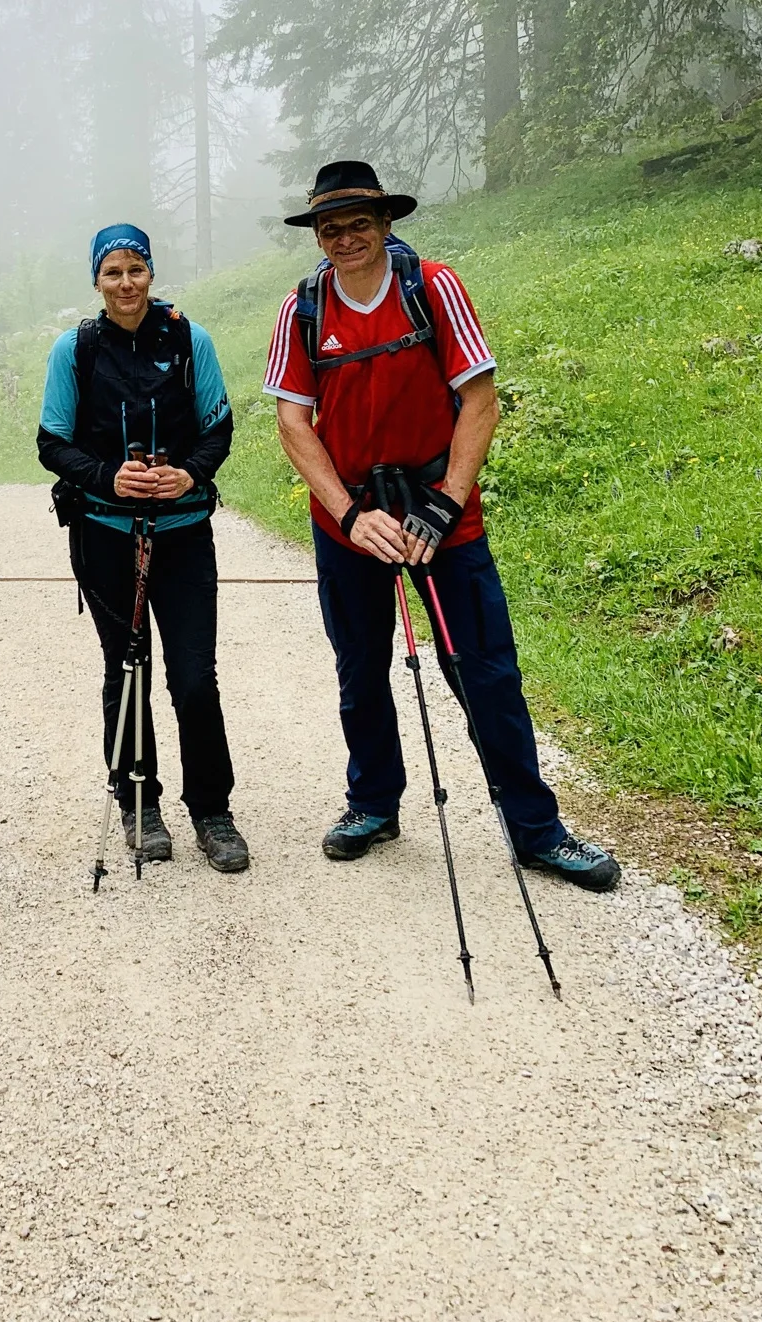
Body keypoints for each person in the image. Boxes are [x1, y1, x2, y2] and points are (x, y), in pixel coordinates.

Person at [264, 160, 619, 890]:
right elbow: (293, 422)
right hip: (352, 522)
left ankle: (537, 832)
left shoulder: (433, 287)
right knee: (361, 669)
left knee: (484, 672)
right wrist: (350, 515)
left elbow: (480, 401)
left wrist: (447, 500)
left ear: (385, 223)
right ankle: (373, 805)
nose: (345, 238)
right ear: (318, 237)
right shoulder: (303, 308)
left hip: (440, 515)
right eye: (330, 228)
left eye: (359, 223)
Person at [37, 223, 249, 873]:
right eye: (113, 272)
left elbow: (218, 429)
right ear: (96, 280)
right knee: (127, 670)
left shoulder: (189, 339)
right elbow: (52, 442)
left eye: (136, 269)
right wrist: (108, 477)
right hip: (104, 533)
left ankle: (212, 811)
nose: (125, 283)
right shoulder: (76, 349)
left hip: (183, 533)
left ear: (152, 273)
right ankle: (137, 803)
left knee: (194, 678)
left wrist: (189, 474)